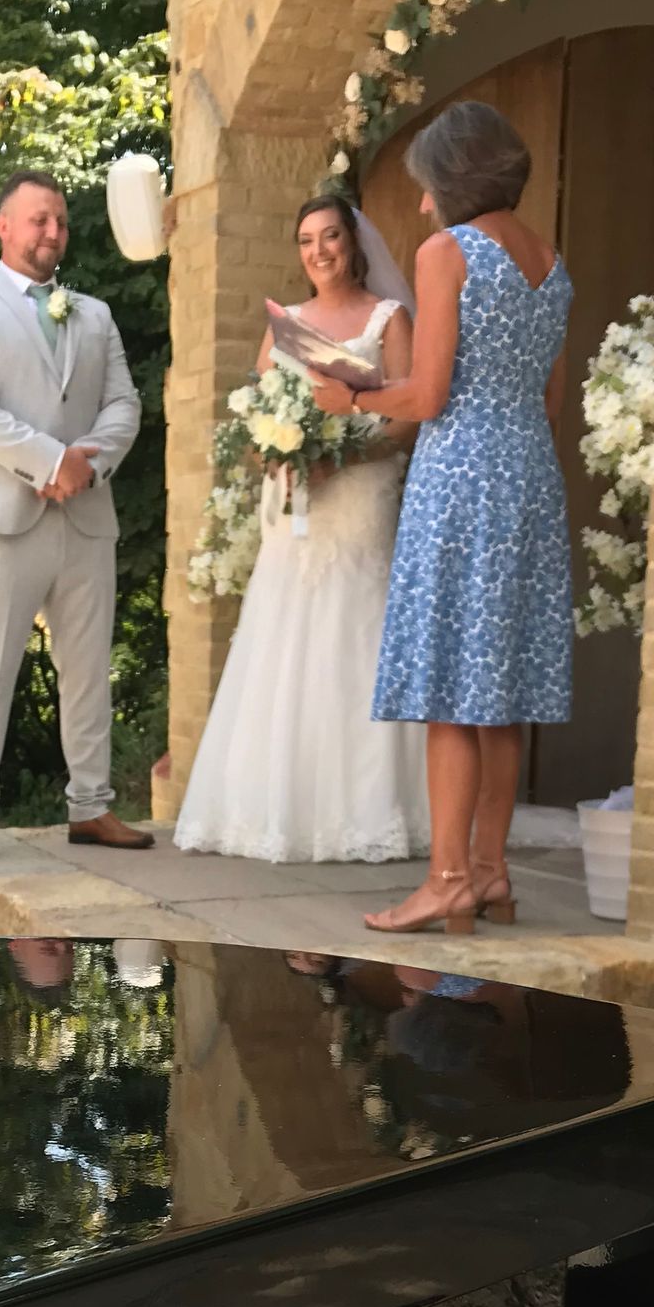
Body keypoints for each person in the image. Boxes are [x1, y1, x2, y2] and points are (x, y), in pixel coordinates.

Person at [313, 101, 574, 935]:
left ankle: (448, 877)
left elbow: (426, 396)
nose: (422, 205)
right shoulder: (552, 263)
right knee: (501, 689)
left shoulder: (448, 252)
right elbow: (551, 399)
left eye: (427, 187)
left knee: (451, 690)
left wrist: (350, 394)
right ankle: (492, 874)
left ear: (454, 179)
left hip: (461, 475)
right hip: (529, 470)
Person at [175, 196, 427, 864]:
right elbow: (260, 414)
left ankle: (372, 811)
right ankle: (278, 809)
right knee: (286, 640)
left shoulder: (387, 317)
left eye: (332, 236)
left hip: (361, 494)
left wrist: (342, 454)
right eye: (307, 240)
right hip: (297, 504)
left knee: (357, 635)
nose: (320, 251)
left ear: (354, 242)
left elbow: (408, 417)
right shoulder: (284, 327)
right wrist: (282, 453)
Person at [0, 170, 148, 867]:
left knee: (88, 669)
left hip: (86, 516)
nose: (51, 231)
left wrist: (88, 459)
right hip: (2, 519)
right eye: (37, 219)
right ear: (4, 226)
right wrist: (53, 462)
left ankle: (91, 806)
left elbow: (125, 405)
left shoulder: (95, 315)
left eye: (59, 220)